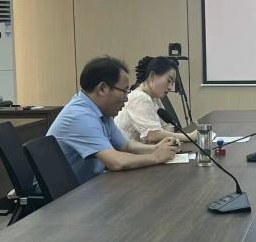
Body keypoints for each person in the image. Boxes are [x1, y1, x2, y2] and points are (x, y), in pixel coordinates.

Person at [47, 56, 179, 184]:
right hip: (65, 194)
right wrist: (156, 157)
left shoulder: (101, 111)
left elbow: (126, 146)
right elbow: (116, 162)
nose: (126, 98)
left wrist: (156, 148)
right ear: (102, 89)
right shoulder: (79, 116)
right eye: (124, 91)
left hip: (89, 185)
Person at [117, 56, 200, 144]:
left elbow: (166, 127)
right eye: (169, 81)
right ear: (152, 76)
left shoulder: (154, 98)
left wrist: (171, 139)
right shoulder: (139, 98)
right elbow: (153, 135)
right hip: (127, 152)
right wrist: (190, 136)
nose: (170, 87)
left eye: (172, 83)